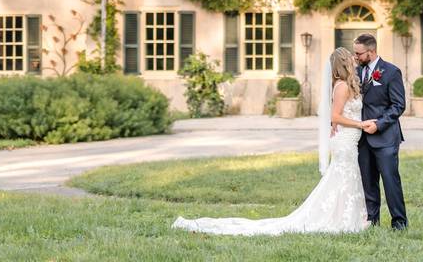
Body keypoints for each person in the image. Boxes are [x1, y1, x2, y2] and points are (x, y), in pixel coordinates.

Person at [171, 46, 374, 235]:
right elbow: (335, 117)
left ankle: (347, 216)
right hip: (345, 141)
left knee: (346, 177)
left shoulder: (347, 85)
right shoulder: (341, 87)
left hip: (348, 140)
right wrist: (361, 124)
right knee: (343, 176)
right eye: (350, 58)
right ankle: (342, 219)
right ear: (344, 63)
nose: (354, 61)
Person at [353, 32, 408, 230]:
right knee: (368, 182)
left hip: (385, 137)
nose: (356, 57)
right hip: (362, 138)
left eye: (359, 54)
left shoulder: (391, 72)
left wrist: (379, 124)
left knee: (390, 181)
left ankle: (399, 223)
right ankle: (372, 222)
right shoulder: (356, 72)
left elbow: (398, 105)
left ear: (372, 51)